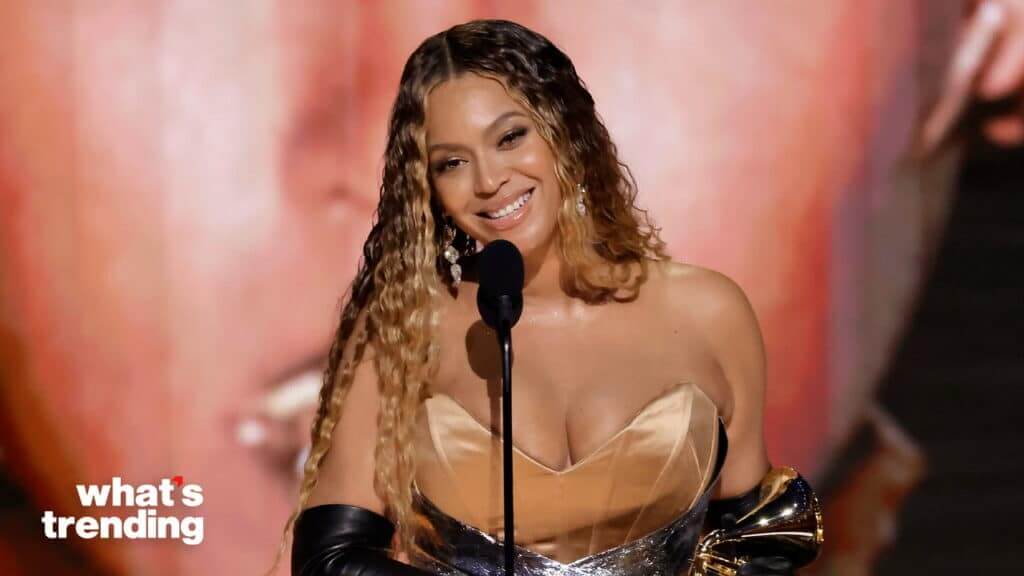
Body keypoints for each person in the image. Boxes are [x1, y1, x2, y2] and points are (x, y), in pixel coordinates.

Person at [280, 20, 822, 576]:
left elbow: (756, 545)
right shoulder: (402, 329)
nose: (489, 179)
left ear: (564, 131)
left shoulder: (709, 312)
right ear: (429, 188)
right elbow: (331, 561)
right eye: (452, 163)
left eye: (510, 137)